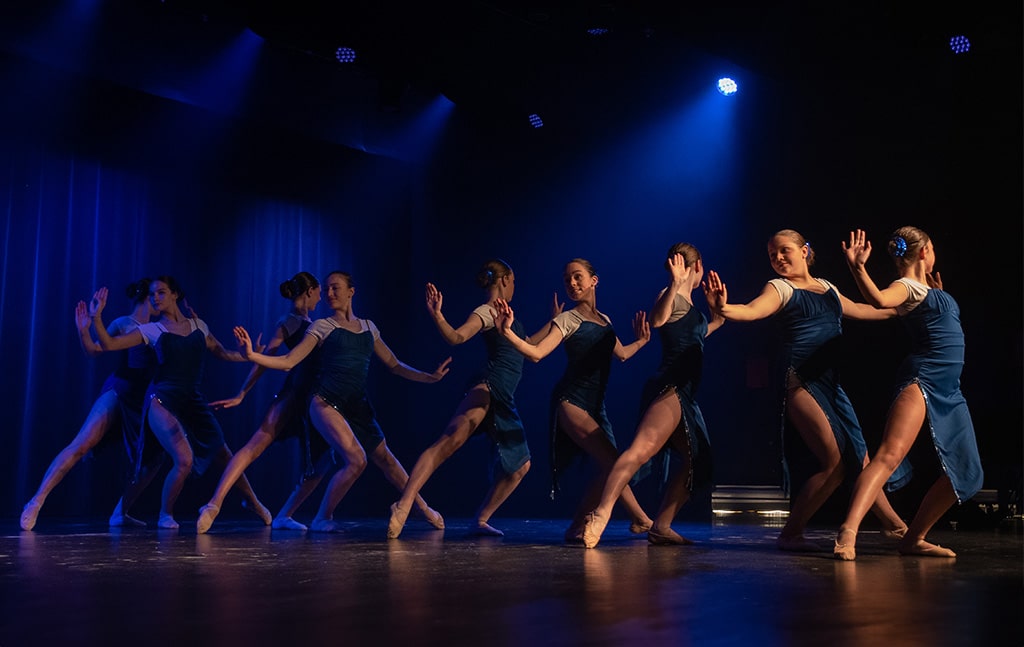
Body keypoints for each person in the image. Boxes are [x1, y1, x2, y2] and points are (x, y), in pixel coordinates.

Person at [703, 229, 908, 551]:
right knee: (837, 463)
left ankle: (895, 527)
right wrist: (725, 309)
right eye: (772, 255)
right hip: (800, 379)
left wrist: (907, 307)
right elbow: (753, 310)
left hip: (832, 384)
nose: (778, 258)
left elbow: (862, 309)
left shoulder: (826, 287)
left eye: (784, 251)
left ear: (804, 251)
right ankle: (791, 533)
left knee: (861, 459)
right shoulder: (780, 288)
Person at [232, 270, 451, 533]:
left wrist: (429, 377)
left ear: (351, 291)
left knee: (388, 461)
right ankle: (323, 517)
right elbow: (289, 361)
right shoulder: (321, 326)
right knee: (356, 459)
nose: (330, 293)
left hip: (357, 405)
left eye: (335, 288)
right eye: (326, 290)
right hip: (325, 401)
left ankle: (423, 509)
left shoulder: (369, 328)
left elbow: (394, 364)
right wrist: (252, 355)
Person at [833, 228, 983, 560]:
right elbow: (879, 301)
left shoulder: (927, 289)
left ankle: (914, 538)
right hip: (923, 378)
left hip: (950, 389)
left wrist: (938, 296)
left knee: (966, 471)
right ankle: (848, 531)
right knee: (890, 454)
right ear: (926, 250)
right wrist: (858, 268)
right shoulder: (906, 287)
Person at [492, 258, 655, 542]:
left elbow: (623, 354)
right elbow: (537, 353)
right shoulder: (567, 319)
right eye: (567, 279)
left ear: (594, 280)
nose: (572, 283)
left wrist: (641, 341)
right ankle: (641, 519)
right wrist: (506, 333)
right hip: (571, 401)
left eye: (577, 277)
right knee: (614, 461)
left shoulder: (605, 321)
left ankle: (577, 525)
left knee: (612, 467)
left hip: (596, 406)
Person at [91, 276, 272, 530]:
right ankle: (165, 515)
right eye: (152, 294)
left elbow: (222, 353)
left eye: (161, 293)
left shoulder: (199, 326)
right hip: (161, 401)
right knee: (183, 460)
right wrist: (96, 317)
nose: (155, 298)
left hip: (192, 401)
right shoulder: (152, 330)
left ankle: (252, 501)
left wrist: (247, 355)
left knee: (223, 453)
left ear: (175, 294)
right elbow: (110, 344)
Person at [582, 243, 724, 548]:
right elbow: (659, 320)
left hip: (686, 395)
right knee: (641, 449)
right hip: (670, 387)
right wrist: (674, 284)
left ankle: (661, 526)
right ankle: (600, 513)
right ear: (696, 266)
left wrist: (717, 314)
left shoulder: (692, 306)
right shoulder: (668, 295)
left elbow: (697, 335)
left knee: (698, 463)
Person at [387, 260, 534, 539]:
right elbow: (457, 337)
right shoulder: (487, 311)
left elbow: (530, 349)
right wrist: (438, 316)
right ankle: (404, 504)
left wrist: (558, 324)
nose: (515, 286)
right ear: (504, 280)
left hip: (503, 397)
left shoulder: (507, 315)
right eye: (513, 281)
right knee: (448, 442)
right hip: (489, 388)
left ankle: (480, 520)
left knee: (520, 466)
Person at [20, 279, 164, 531]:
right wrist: (84, 330)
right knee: (81, 443)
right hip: (119, 391)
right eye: (155, 296)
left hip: (144, 400)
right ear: (146, 298)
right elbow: (95, 350)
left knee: (153, 459)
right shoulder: (124, 323)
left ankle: (121, 511)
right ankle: (36, 500)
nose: (159, 301)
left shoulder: (159, 327)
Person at [196, 271, 331, 533]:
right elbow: (266, 361)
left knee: (321, 461)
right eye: (319, 291)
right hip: (296, 395)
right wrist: (242, 393)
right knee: (254, 446)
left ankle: (284, 515)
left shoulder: (308, 320)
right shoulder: (289, 321)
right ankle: (213, 504)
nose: (321, 296)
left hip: (313, 396)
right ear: (310, 290)